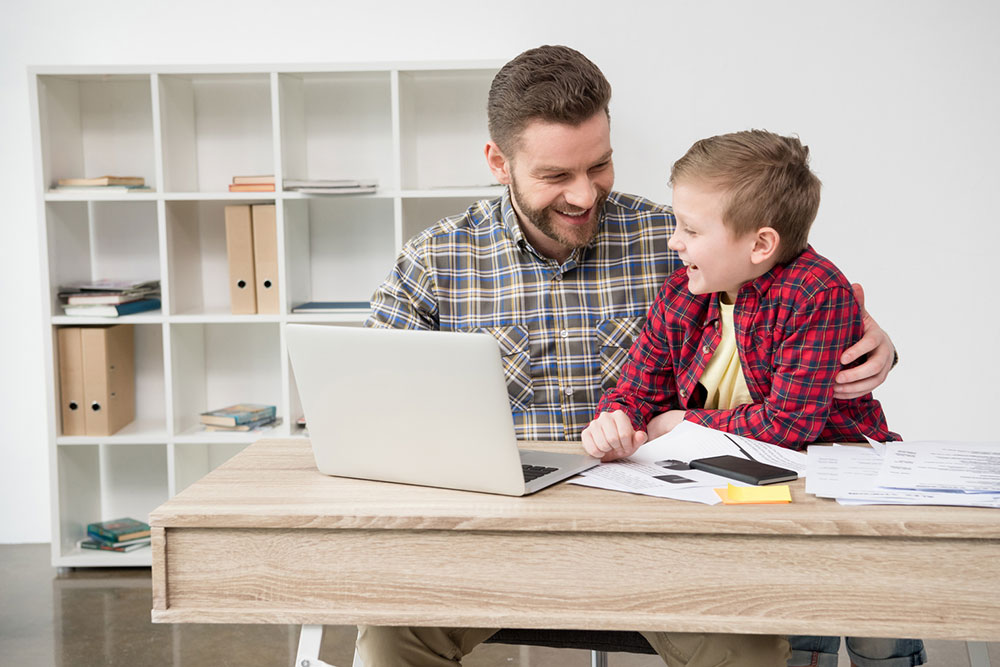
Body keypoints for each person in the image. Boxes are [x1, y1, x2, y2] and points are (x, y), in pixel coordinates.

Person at [362, 45, 897, 667]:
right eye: (555, 176)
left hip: (661, 537)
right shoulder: (435, 261)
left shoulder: (670, 240)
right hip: (497, 536)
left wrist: (871, 334)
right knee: (388, 635)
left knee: (746, 648)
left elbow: (781, 266)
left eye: (600, 165)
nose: (585, 195)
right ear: (498, 163)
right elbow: (369, 404)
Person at [583, 129, 925, 667]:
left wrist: (682, 426)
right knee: (792, 618)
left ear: (759, 245)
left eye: (690, 230)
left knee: (873, 608)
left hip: (833, 477)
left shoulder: (815, 290)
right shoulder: (683, 292)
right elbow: (636, 389)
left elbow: (791, 425)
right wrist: (615, 418)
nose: (675, 241)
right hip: (747, 485)